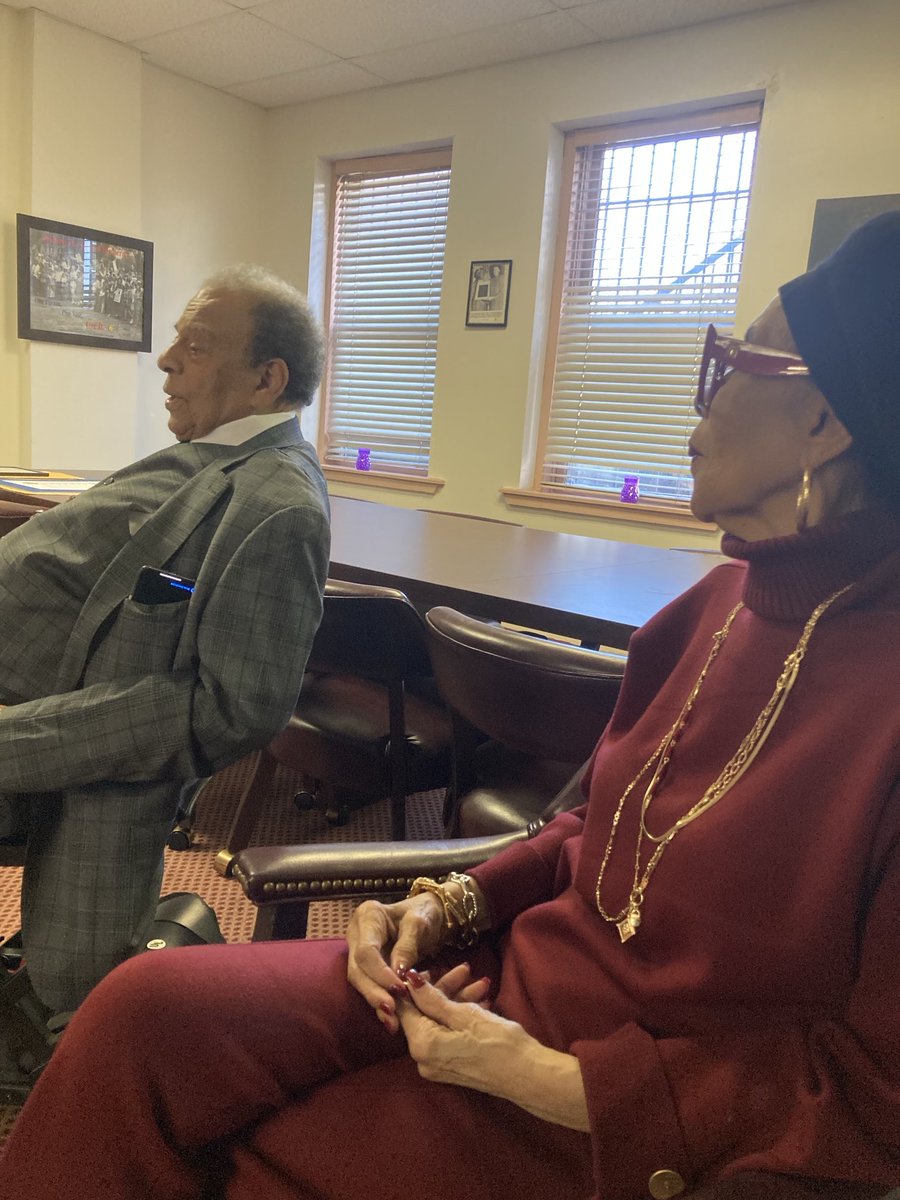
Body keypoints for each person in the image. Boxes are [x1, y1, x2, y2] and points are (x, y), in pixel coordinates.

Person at [3, 214, 900, 1200]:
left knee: (253, 1151)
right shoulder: (706, 608)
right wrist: (451, 899)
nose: (707, 393)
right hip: (498, 973)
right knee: (140, 1016)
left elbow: (873, 1099)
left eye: (733, 363)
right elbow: (590, 829)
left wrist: (562, 1084)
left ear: (825, 421)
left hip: (606, 1084)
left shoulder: (277, 500)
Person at [0, 264, 330, 1014]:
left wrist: (19, 739)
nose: (166, 358)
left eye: (199, 344)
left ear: (266, 379)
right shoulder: (213, 456)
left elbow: (232, 708)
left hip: (71, 756)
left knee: (79, 1012)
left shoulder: (281, 510)